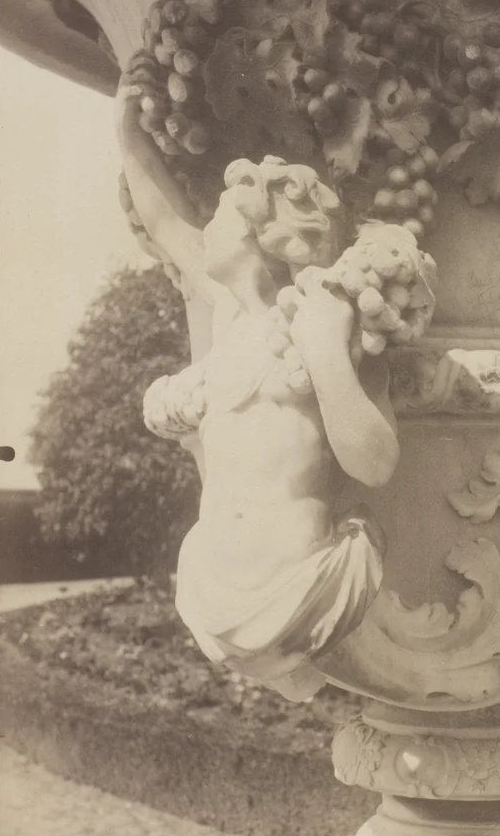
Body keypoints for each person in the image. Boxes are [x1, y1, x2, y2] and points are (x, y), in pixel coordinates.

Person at [117, 60, 399, 701]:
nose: (203, 230)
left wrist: (326, 355)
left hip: (296, 583)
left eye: (216, 219)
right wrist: (129, 141)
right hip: (212, 575)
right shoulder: (230, 320)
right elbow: (163, 224)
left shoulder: (321, 317)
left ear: (254, 239)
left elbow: (376, 462)